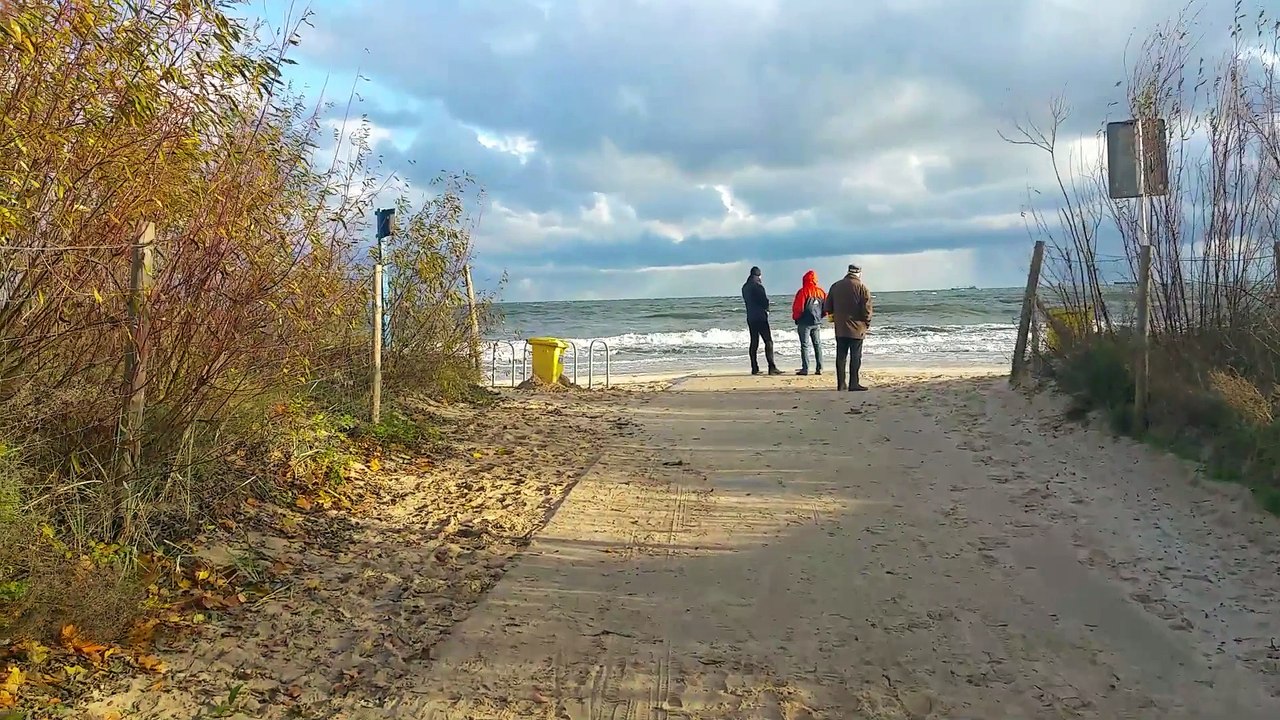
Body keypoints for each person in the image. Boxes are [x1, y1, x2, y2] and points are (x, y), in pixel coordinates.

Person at [823, 263, 873, 391]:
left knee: (841, 356)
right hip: (857, 328)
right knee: (855, 356)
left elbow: (827, 307)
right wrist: (866, 323)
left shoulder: (835, 286)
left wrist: (834, 319)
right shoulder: (862, 287)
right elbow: (867, 310)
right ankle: (854, 383)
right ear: (859, 273)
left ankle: (841, 384)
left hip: (840, 328)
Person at [742, 266, 782, 376]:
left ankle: (754, 367)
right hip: (760, 317)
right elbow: (764, 301)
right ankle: (771, 367)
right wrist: (767, 309)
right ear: (759, 275)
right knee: (768, 341)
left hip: (750, 317)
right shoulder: (758, 286)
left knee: (754, 342)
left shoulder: (745, 287)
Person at [791, 269, 826, 376]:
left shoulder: (802, 292)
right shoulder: (821, 292)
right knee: (817, 344)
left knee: (805, 345)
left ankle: (805, 369)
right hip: (817, 322)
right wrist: (821, 317)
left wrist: (796, 318)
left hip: (804, 322)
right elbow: (826, 307)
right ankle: (820, 368)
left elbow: (798, 308)